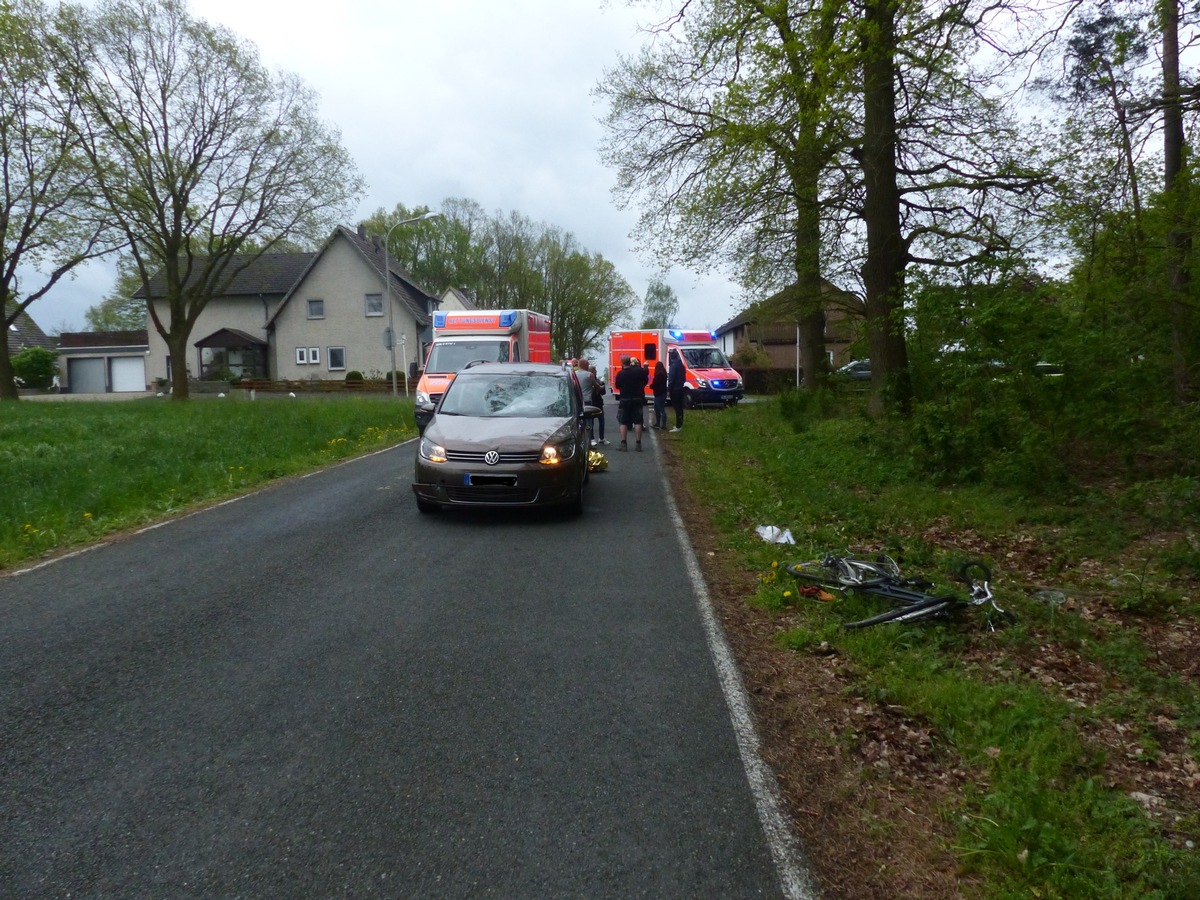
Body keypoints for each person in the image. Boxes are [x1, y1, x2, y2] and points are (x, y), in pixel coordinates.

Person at [614, 355, 649, 451]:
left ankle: (623, 443)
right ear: (630, 362)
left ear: (622, 363)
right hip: (637, 398)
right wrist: (646, 365)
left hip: (625, 399)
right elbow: (646, 373)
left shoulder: (620, 374)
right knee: (638, 422)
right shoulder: (638, 371)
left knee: (623, 422)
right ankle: (638, 444)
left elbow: (617, 386)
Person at [574, 358, 600, 446]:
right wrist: (601, 387)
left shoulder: (574, 374)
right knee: (589, 421)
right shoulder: (590, 375)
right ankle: (590, 438)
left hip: (577, 401)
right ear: (585, 365)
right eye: (588, 364)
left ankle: (580, 439)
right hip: (587, 400)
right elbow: (596, 386)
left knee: (578, 420)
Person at [667, 348, 686, 432]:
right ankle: (680, 424)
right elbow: (684, 378)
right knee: (680, 407)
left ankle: (678, 426)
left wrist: (668, 390)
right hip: (680, 388)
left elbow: (671, 379)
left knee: (677, 407)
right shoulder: (681, 365)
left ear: (671, 356)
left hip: (675, 389)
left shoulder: (673, 366)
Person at [650, 360, 668, 429]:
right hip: (663, 393)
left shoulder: (658, 375)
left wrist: (651, 386)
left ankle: (660, 424)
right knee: (660, 409)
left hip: (658, 394)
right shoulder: (664, 374)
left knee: (659, 409)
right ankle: (661, 424)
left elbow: (655, 384)